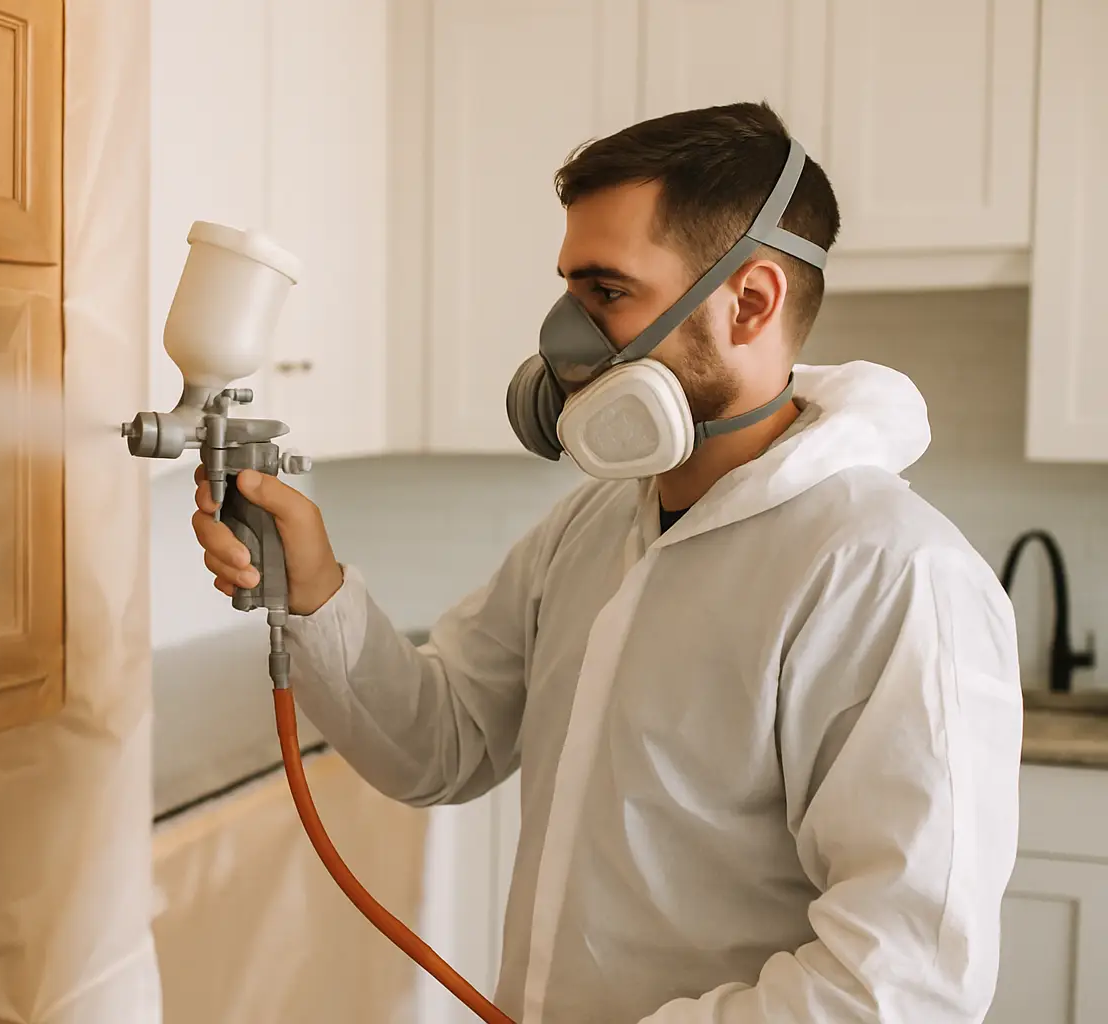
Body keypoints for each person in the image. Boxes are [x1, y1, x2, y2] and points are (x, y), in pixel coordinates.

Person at [190, 101, 1024, 1023]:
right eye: (570, 291)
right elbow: (439, 746)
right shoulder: (592, 529)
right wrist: (314, 588)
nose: (566, 339)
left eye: (608, 292)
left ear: (750, 301)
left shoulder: (890, 576)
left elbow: (902, 985)